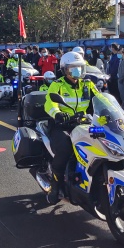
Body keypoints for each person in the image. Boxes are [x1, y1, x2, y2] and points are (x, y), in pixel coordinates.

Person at [44, 51, 100, 204]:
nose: (77, 71)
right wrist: (57, 114)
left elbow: (101, 99)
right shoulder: (58, 85)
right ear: (64, 70)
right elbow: (50, 102)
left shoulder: (87, 84)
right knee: (65, 149)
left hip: (83, 123)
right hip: (61, 125)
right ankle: (55, 186)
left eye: (80, 68)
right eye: (72, 68)